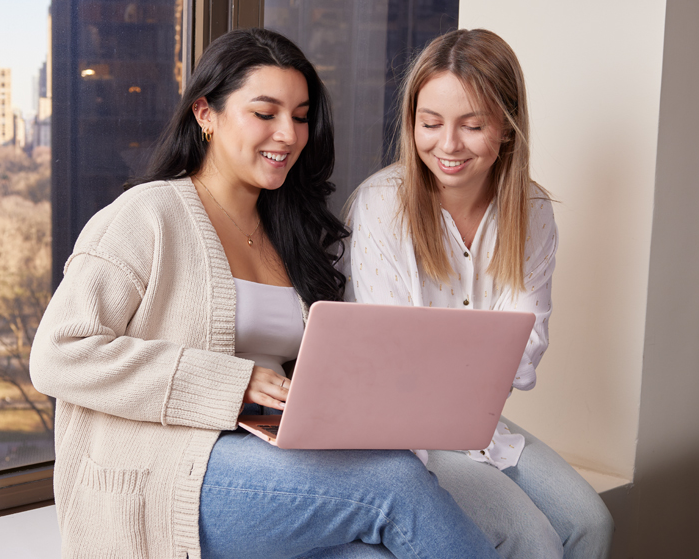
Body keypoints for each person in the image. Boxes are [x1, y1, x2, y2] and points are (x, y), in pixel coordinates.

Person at [30, 28, 502, 559]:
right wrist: (235, 383)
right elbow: (58, 355)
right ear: (205, 114)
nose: (288, 134)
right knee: (395, 483)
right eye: (265, 113)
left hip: (269, 458)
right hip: (172, 473)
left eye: (300, 116)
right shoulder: (148, 214)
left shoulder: (288, 230)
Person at [343, 28, 615, 559]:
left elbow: (525, 345)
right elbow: (396, 359)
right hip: (403, 430)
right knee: (532, 541)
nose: (448, 145)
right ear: (412, 124)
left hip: (482, 419)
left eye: (472, 125)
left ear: (507, 130)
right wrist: (477, 362)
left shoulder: (531, 210)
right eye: (430, 123)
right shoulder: (380, 205)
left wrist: (470, 370)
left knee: (592, 524)